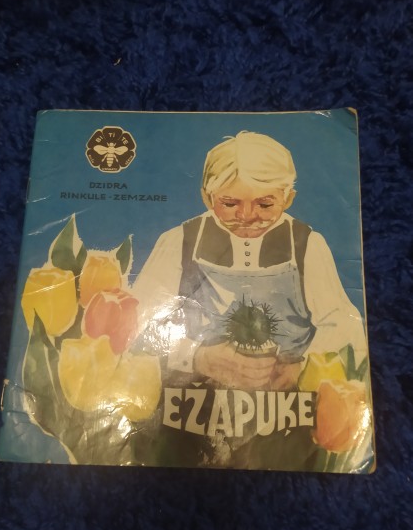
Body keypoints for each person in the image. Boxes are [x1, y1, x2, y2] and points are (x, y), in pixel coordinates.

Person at [133, 131, 367, 391]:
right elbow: (137, 322)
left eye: (265, 204)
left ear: (288, 199)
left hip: (288, 401)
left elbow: (345, 326)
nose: (247, 216)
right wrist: (196, 357)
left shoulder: (306, 244)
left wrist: (304, 365)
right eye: (229, 203)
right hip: (193, 400)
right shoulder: (179, 242)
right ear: (207, 198)